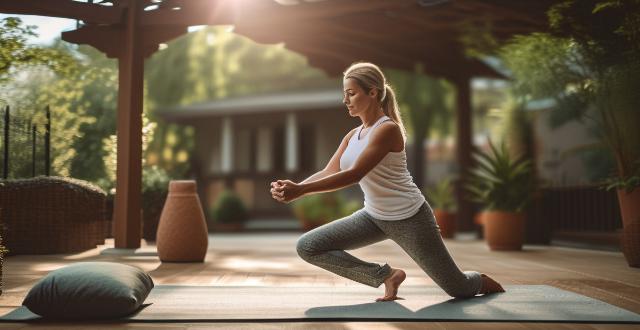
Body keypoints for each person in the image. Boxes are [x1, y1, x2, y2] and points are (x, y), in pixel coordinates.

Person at [270, 62, 505, 302]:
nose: (345, 100)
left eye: (351, 93)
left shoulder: (387, 129)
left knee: (459, 289)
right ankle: (387, 276)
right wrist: (296, 186)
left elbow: (354, 174)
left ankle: (479, 279)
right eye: (344, 94)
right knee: (308, 246)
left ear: (372, 92)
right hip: (373, 216)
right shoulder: (353, 135)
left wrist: (301, 191)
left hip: (410, 217)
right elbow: (330, 170)